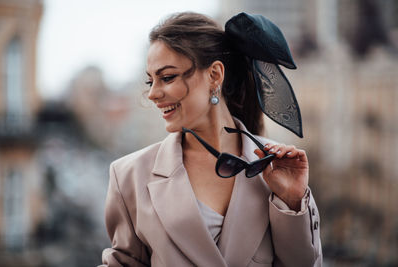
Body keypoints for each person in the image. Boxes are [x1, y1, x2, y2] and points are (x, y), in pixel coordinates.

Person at [99, 12, 322, 267]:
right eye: (151, 81)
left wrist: (292, 202)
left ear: (215, 75)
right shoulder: (128, 176)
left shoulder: (276, 167)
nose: (152, 94)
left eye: (167, 77)